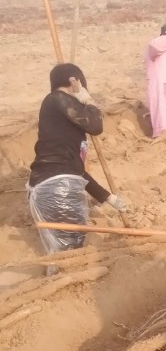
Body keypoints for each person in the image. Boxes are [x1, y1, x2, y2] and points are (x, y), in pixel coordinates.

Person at [27, 63, 127, 263]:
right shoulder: (56, 99)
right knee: (71, 256)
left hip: (53, 186)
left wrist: (106, 197)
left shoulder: (62, 126)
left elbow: (73, 169)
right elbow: (95, 126)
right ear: (75, 83)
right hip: (57, 189)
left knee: (65, 253)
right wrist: (88, 102)